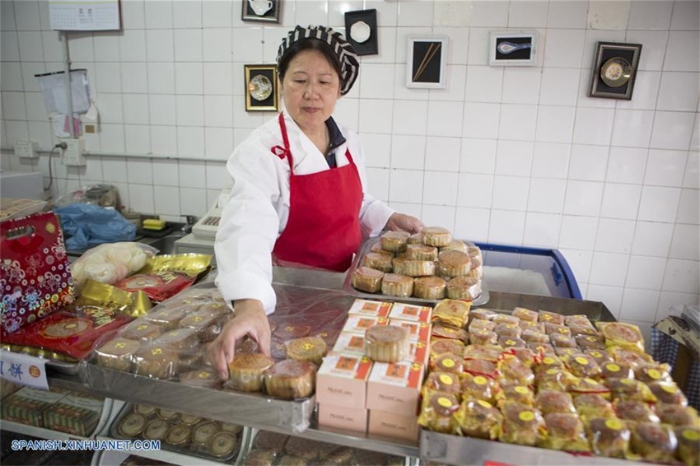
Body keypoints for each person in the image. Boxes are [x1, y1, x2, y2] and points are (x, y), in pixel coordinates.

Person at [208, 25, 424, 379]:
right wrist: (249, 304)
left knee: (339, 377)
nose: (311, 93)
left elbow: (357, 202)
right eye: (299, 80)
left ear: (340, 90)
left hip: (347, 290)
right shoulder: (262, 151)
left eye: (324, 82)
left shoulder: (348, 143)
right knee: (293, 376)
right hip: (288, 296)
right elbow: (248, 225)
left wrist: (389, 217)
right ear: (280, 83)